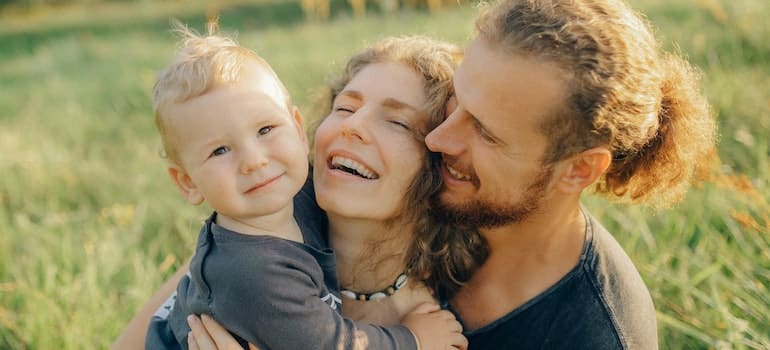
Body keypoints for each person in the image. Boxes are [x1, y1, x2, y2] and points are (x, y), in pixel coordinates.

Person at [182, 0, 717, 349]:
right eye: (454, 106)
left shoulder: (591, 334)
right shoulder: (334, 199)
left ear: (576, 169)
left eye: (484, 131)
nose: (439, 140)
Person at [113, 33, 479, 349]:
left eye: (398, 122)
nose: (353, 125)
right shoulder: (252, 245)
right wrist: (412, 342)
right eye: (345, 107)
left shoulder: (452, 297)